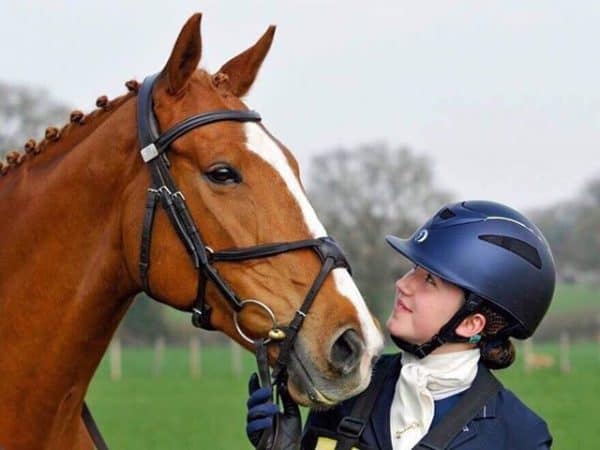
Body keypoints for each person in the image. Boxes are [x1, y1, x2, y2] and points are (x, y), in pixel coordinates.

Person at [245, 200, 556, 450]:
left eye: (429, 280)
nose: (402, 284)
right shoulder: (351, 387)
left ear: (471, 323)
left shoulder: (519, 436)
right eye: (413, 270)